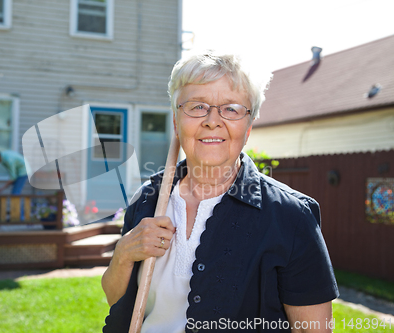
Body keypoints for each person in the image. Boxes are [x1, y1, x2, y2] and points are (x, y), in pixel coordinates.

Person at [101, 52, 339, 332]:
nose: (212, 120)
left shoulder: (291, 216)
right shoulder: (147, 199)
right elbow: (115, 298)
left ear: (248, 128)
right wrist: (124, 253)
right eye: (197, 106)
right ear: (177, 122)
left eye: (231, 109)